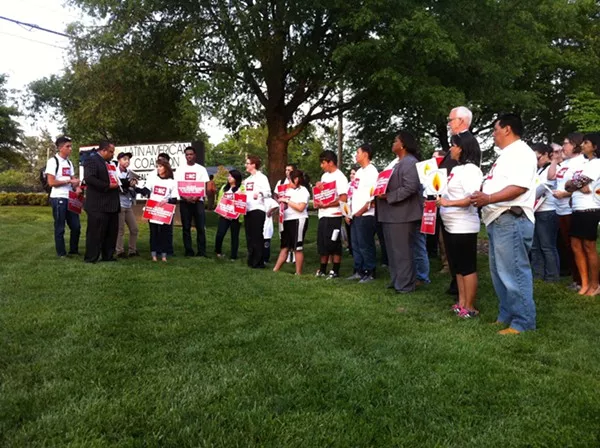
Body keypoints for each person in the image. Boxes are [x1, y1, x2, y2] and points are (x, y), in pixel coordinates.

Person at [470, 114, 536, 335]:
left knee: (514, 272)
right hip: (498, 219)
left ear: (507, 129)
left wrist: (488, 199)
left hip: (511, 218)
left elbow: (519, 186)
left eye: (495, 130)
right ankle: (506, 314)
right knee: (500, 273)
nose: (493, 134)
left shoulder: (521, 153)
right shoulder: (506, 155)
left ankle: (523, 322)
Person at [435, 133, 483, 318]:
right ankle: (461, 302)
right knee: (457, 267)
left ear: (462, 148)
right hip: (451, 225)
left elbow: (473, 198)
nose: (450, 150)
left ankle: (470, 306)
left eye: (453, 146)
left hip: (464, 225)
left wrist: (448, 204)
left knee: (467, 266)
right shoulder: (457, 169)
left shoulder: (471, 169)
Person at [376, 131, 423, 293]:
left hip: (403, 215)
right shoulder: (396, 163)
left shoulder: (410, 163)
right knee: (392, 251)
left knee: (402, 251)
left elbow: (410, 187)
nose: (393, 143)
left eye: (395, 141)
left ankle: (405, 285)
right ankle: (397, 280)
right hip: (391, 214)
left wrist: (388, 196)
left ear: (402, 144)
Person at [565, 133, 600, 296]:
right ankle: (584, 283)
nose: (583, 145)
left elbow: (576, 183)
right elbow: (568, 184)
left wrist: (576, 185)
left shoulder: (596, 163)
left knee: (589, 246)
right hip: (577, 208)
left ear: (595, 146)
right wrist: (577, 185)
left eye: (586, 143)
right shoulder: (584, 164)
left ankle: (595, 284)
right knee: (576, 246)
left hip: (590, 208)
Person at [550, 133, 586, 289]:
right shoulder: (565, 163)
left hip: (572, 208)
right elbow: (552, 177)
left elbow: (584, 187)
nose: (563, 146)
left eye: (566, 143)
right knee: (567, 245)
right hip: (560, 209)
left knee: (579, 246)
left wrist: (564, 194)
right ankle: (576, 278)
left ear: (576, 145)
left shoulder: (582, 163)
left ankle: (583, 280)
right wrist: (555, 159)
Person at [83, 140, 120, 263]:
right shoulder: (92, 160)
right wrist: (107, 186)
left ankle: (108, 255)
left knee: (111, 232)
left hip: (112, 204)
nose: (112, 154)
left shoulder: (110, 164)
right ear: (103, 150)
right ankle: (92, 257)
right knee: (96, 232)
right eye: (110, 152)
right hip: (98, 204)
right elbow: (89, 178)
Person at [346, 143, 379, 283]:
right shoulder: (359, 172)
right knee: (356, 244)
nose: (356, 155)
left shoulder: (372, 172)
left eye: (358, 152)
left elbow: (373, 197)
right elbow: (353, 192)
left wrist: (361, 211)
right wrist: (349, 212)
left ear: (365, 154)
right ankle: (358, 270)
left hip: (366, 214)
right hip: (355, 214)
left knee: (365, 244)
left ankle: (370, 271)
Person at [45, 136, 82, 258]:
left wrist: (76, 186)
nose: (70, 149)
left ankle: (74, 250)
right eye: (68, 146)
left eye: (71, 146)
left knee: (76, 226)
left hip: (70, 198)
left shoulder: (69, 162)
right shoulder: (53, 161)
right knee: (60, 227)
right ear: (60, 148)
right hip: (58, 198)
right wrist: (68, 182)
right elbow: (51, 182)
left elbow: (72, 179)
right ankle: (61, 253)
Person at [314, 150, 349, 279]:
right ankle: (322, 269)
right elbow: (322, 194)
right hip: (322, 215)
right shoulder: (325, 177)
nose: (321, 166)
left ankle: (335, 270)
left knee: (333, 243)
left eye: (323, 163)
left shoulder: (340, 177)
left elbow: (343, 198)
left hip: (334, 215)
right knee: (322, 243)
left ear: (331, 162)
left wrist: (327, 205)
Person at [530, 143, 559, 282]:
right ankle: (538, 274)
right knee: (535, 246)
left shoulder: (553, 168)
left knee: (547, 246)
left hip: (547, 211)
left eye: (538, 157)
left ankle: (552, 276)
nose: (536, 161)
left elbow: (545, 186)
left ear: (547, 155)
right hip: (535, 210)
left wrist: (528, 197)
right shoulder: (539, 170)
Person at [273, 169, 310, 275]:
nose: (288, 182)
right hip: (286, 219)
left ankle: (298, 272)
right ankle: (275, 269)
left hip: (298, 219)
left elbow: (300, 207)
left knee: (297, 247)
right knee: (285, 246)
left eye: (290, 179)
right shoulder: (286, 190)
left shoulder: (303, 191)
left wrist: (287, 201)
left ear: (296, 179)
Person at [174, 146, 210, 257]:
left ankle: (201, 251)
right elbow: (177, 185)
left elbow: (204, 185)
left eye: (191, 154)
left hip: (198, 201)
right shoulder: (180, 169)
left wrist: (196, 196)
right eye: (187, 155)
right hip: (185, 202)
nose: (189, 156)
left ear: (195, 155)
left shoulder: (201, 169)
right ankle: (188, 251)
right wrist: (185, 197)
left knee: (200, 227)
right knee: (186, 227)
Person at [141, 160, 178, 262]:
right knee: (154, 233)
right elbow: (145, 191)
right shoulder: (153, 180)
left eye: (160, 166)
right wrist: (134, 186)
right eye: (157, 166)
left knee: (164, 234)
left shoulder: (172, 182)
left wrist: (167, 200)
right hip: (153, 210)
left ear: (166, 168)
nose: (158, 168)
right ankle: (154, 255)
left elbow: (174, 199)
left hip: (165, 211)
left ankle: (164, 255)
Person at [243, 155, 272, 268]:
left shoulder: (262, 178)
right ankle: (251, 259)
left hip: (258, 209)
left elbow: (268, 192)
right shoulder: (248, 180)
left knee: (257, 235)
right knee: (249, 235)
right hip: (248, 209)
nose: (246, 165)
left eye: (247, 163)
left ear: (253, 165)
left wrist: (260, 193)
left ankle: (259, 261)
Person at [115, 152, 140, 258]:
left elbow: (132, 187)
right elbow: (116, 186)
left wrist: (134, 184)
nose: (127, 161)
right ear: (119, 160)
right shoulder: (114, 172)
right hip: (119, 203)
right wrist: (126, 184)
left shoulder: (129, 172)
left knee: (134, 228)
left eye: (128, 159)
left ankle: (132, 250)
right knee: (120, 229)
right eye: (124, 159)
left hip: (128, 203)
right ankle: (119, 251)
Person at [215, 170, 243, 260]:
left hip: (235, 216)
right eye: (228, 176)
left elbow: (242, 203)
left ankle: (233, 256)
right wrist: (222, 213)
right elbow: (220, 200)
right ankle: (218, 251)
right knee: (220, 233)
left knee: (234, 236)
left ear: (236, 178)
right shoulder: (224, 188)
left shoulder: (241, 188)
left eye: (231, 176)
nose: (229, 177)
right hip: (224, 215)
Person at [344, 166, 358, 257]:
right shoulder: (348, 185)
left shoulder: (358, 185)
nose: (351, 175)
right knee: (349, 231)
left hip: (357, 211)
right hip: (348, 210)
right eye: (351, 173)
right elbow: (345, 200)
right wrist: (346, 214)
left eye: (354, 173)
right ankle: (351, 249)